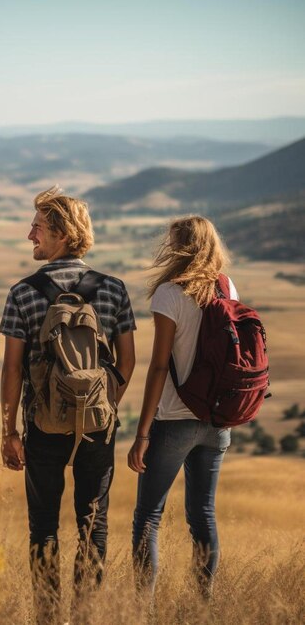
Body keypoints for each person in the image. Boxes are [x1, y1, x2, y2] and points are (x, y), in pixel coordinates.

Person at [0, 186, 136, 622]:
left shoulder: (23, 292)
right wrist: (101, 402)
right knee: (92, 523)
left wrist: (10, 431)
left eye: (37, 227)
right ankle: (86, 615)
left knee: (43, 525)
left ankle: (47, 616)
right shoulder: (113, 289)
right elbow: (128, 359)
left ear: (61, 232)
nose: (29, 235)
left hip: (42, 425)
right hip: (98, 425)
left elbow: (12, 370)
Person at [128, 215, 234, 598]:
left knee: (148, 517)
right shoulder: (227, 287)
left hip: (174, 419)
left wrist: (142, 434)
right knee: (202, 516)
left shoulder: (169, 294)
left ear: (180, 246)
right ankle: (202, 605)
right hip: (217, 421)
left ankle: (143, 610)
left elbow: (159, 366)